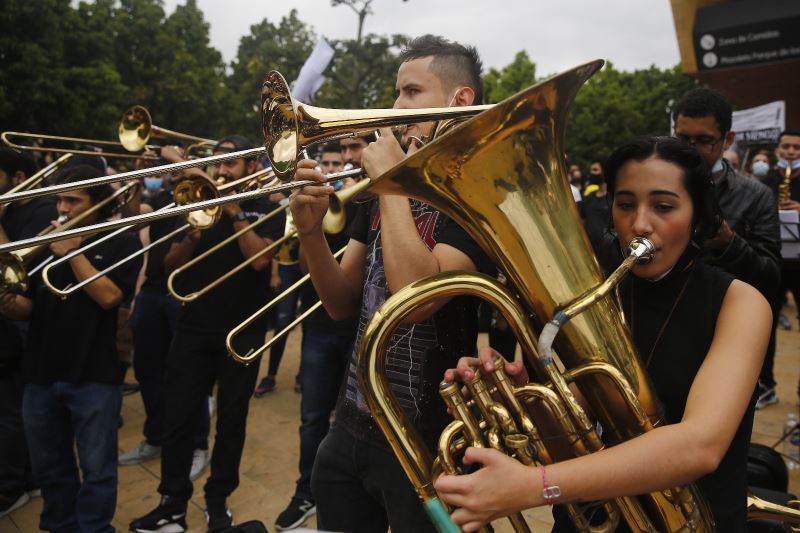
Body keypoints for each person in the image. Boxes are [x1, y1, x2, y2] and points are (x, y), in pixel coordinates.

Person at [434, 136, 771, 532]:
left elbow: (700, 445)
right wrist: (518, 400)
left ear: (697, 216)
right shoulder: (600, 294)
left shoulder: (740, 303)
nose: (640, 224)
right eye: (625, 205)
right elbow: (567, 439)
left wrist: (534, 486)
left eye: (664, 207)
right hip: (595, 518)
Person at [290, 34, 495, 532]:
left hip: (425, 445)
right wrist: (312, 233)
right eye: (397, 91)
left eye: (410, 91)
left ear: (459, 101)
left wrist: (390, 186)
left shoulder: (476, 199)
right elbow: (341, 303)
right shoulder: (385, 192)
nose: (394, 106)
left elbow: (416, 300)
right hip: (353, 423)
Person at [130, 135, 285, 533]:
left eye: (229, 165)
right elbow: (167, 266)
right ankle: (172, 503)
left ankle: (219, 501)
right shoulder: (192, 200)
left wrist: (233, 212)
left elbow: (261, 259)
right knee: (178, 417)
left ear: (250, 168)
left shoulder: (265, 205)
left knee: (231, 422)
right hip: (193, 327)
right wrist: (188, 239)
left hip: (241, 332)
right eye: (217, 164)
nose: (220, 171)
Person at [1, 164, 142, 533]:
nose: (61, 209)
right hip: (41, 371)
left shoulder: (121, 240)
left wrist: (72, 253)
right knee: (50, 465)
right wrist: (14, 306)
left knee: (97, 469)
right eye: (60, 200)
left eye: (72, 201)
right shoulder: (44, 238)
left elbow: (110, 298)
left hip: (94, 372)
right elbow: (33, 304)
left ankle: (94, 528)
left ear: (98, 203)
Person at [672, 88, 780, 409]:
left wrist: (729, 244)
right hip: (665, 326)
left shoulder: (756, 196)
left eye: (704, 141)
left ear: (728, 139)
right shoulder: (654, 184)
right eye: (682, 139)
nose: (690, 151)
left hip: (725, 334)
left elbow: (771, 274)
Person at [274, 142, 358, 531]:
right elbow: (306, 267)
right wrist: (312, 226)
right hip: (320, 327)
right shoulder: (311, 202)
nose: (329, 170)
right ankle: (305, 492)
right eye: (324, 163)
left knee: (351, 422)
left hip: (357, 329)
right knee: (311, 418)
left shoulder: (362, 199)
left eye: (336, 164)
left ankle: (347, 499)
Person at [118, 146, 211, 482]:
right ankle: (155, 435)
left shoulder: (206, 193)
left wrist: (180, 161)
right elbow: (132, 214)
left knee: (188, 375)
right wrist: (136, 174)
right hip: (154, 291)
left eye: (181, 162)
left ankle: (198, 443)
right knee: (146, 369)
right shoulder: (163, 199)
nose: (171, 167)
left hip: (185, 294)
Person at [0, 148, 53, 519]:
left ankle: (14, 484)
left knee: (11, 412)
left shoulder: (40, 212)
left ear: (18, 178)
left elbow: (13, 268)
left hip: (21, 322)